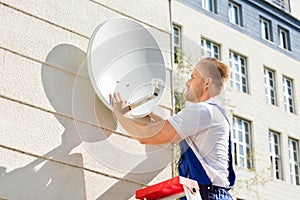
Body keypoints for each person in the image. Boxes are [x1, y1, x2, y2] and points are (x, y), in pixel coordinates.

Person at [110, 57, 235, 200]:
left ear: (207, 82)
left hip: (206, 195)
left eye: (193, 77)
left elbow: (145, 136)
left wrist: (121, 114)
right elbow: (177, 136)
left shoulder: (202, 112)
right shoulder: (215, 114)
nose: (187, 83)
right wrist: (150, 113)